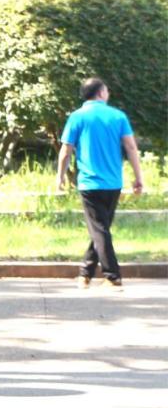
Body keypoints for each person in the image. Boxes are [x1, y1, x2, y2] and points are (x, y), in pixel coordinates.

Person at [56, 77, 144, 290]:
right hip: (113, 182)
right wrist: (138, 177)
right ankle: (85, 274)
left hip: (90, 183)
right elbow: (131, 147)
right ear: (101, 93)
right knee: (101, 229)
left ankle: (112, 276)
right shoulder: (118, 116)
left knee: (99, 229)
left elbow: (66, 150)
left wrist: (60, 177)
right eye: (107, 90)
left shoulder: (77, 117)